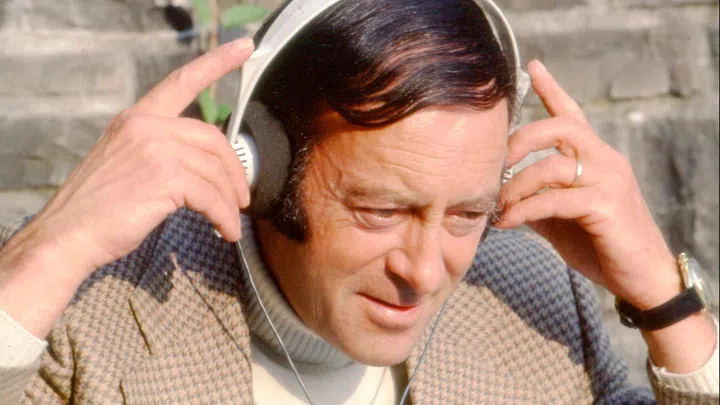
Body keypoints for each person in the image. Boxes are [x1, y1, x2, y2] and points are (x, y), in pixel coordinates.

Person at [0, 0, 717, 404]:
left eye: (466, 215)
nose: (424, 271)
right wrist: (45, 255)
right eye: (382, 211)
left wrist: (666, 301)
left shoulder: (533, 301)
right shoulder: (83, 308)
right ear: (262, 168)